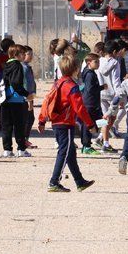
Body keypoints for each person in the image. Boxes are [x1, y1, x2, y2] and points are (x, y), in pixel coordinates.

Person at [38, 55, 96, 193]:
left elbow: (47, 101)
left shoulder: (57, 83)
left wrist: (42, 120)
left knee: (70, 152)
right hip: (66, 123)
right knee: (64, 152)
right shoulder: (72, 86)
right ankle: (54, 181)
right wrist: (90, 124)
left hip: (56, 122)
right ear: (75, 69)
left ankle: (79, 181)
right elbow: (80, 108)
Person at [0, 44, 31, 158]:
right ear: (17, 55)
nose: (24, 55)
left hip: (5, 100)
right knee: (19, 126)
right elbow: (16, 83)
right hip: (16, 99)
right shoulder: (17, 65)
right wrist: (26, 94)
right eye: (22, 53)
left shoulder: (7, 65)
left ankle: (7, 149)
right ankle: (21, 149)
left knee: (6, 126)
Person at [78, 53, 106, 155]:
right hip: (90, 103)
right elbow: (90, 89)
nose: (98, 64)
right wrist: (101, 87)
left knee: (102, 121)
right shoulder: (90, 74)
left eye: (98, 61)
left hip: (94, 103)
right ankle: (86, 145)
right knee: (88, 125)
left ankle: (101, 139)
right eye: (96, 62)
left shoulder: (89, 72)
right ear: (89, 63)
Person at [21, 46, 37, 149]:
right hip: (25, 97)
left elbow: (32, 83)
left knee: (29, 118)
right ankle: (23, 140)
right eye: (28, 54)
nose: (31, 56)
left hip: (29, 96)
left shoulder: (28, 67)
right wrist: (29, 98)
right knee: (28, 118)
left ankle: (25, 139)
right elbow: (26, 84)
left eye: (31, 54)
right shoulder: (23, 68)